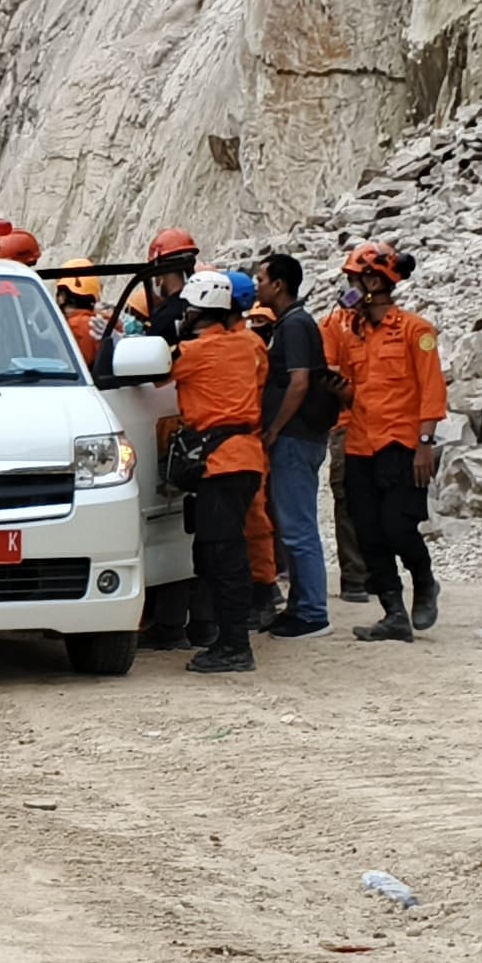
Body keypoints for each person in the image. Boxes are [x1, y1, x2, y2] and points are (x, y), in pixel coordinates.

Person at [328, 246, 447, 641]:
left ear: (374, 282)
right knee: (368, 532)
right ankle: (393, 611)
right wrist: (340, 391)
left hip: (403, 445)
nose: (348, 289)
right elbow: (349, 388)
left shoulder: (417, 331)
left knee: (399, 528)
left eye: (353, 280)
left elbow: (432, 390)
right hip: (361, 446)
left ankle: (424, 581)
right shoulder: (351, 334)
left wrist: (425, 443)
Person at [166, 268, 267, 673]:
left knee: (223, 557)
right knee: (225, 552)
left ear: (195, 310)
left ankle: (234, 646)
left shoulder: (193, 354)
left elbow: (154, 375)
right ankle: (226, 637)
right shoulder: (248, 345)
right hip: (245, 459)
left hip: (219, 464)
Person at [252, 251, 337, 638]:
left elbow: (299, 381)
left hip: (295, 437)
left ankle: (313, 612)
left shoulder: (295, 325)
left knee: (298, 526)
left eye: (262, 279)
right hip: (295, 436)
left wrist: (275, 429)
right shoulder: (291, 323)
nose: (258, 286)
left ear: (279, 284)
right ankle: (301, 605)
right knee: (292, 523)